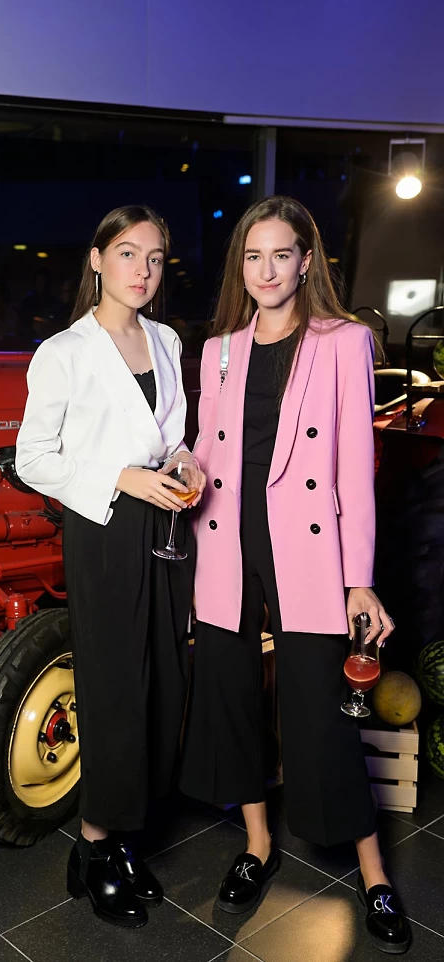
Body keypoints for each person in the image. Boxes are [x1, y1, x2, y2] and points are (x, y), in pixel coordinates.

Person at [181, 196, 411, 954]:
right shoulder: (220, 348)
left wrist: (358, 578)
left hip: (307, 548)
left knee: (322, 713)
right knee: (231, 696)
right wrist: (179, 468)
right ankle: (256, 844)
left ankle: (374, 874)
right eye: (253, 256)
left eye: (281, 254)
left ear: (306, 261)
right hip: (226, 539)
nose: (267, 270)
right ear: (240, 266)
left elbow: (355, 467)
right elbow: (208, 449)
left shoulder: (345, 341)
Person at [15, 205, 204, 929]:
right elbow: (34, 459)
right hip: (105, 528)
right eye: (128, 253)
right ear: (97, 259)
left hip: (167, 524)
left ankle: (123, 840)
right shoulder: (63, 351)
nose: (143, 271)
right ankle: (94, 843)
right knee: (116, 686)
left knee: (164, 680)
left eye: (155, 258)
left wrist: (186, 462)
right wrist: (122, 478)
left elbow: (172, 434)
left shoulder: (166, 339)